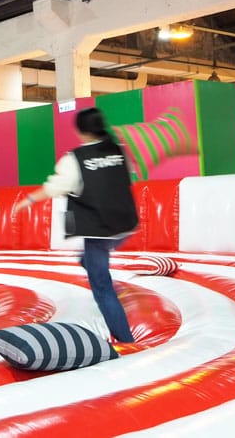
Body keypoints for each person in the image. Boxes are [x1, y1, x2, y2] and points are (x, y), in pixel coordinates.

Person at [13, 107, 139, 343]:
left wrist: (27, 200)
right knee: (91, 260)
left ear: (80, 131)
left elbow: (54, 188)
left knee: (101, 288)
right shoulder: (119, 149)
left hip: (99, 231)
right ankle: (91, 265)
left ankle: (127, 340)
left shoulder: (74, 159)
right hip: (125, 225)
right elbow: (128, 173)